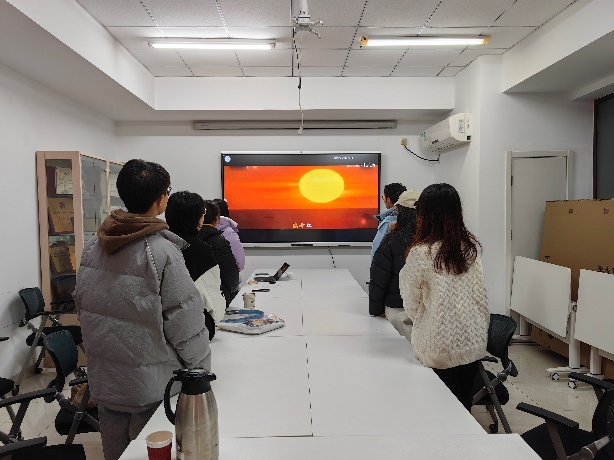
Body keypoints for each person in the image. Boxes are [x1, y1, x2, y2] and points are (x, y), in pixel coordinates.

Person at [75, 159, 211, 460]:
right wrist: (201, 370)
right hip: (150, 387)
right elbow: (185, 324)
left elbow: (83, 306)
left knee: (117, 453)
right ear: (161, 199)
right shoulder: (161, 251)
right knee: (152, 451)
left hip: (107, 381)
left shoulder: (93, 246)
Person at [399, 183, 489, 411]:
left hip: (438, 345)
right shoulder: (470, 248)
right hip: (473, 340)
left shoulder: (421, 253)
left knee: (438, 410)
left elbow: (410, 301)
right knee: (463, 406)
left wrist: (426, 321)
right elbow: (480, 295)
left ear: (425, 215)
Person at [166, 191, 227, 340]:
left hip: (162, 330)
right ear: (197, 217)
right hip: (194, 330)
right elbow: (212, 302)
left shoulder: (159, 243)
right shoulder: (199, 249)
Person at [369, 190, 419, 342]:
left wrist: (376, 310)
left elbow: (379, 277)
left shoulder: (392, 240)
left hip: (396, 309)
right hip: (423, 311)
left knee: (395, 350)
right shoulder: (431, 241)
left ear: (399, 211)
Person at [198, 200, 240, 306]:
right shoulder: (220, 240)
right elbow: (233, 271)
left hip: (197, 298)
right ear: (217, 218)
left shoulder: (190, 238)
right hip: (219, 296)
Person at [213, 198, 245, 284]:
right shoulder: (229, 233)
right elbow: (240, 263)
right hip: (229, 283)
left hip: (211, 282)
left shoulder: (202, 232)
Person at [371, 182, 407, 259]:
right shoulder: (409, 218)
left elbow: (378, 250)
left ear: (389, 200)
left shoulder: (388, 222)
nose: (383, 199)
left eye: (384, 197)